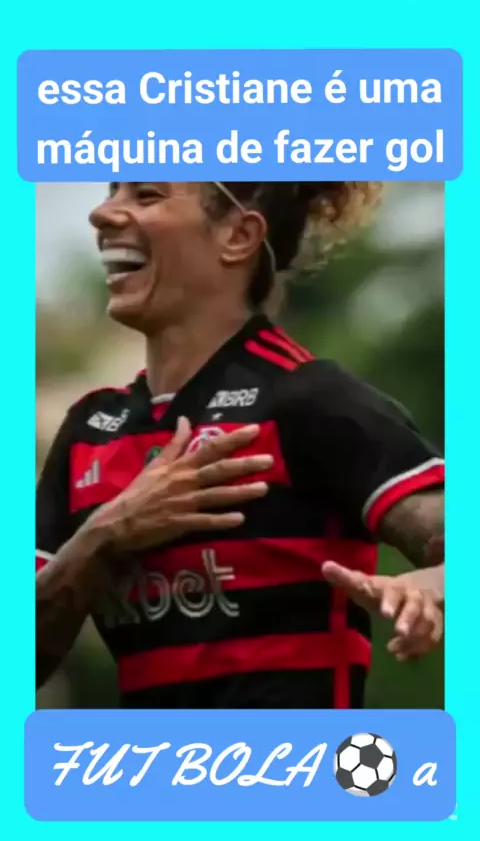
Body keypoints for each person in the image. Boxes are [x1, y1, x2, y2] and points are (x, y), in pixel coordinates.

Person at [36, 181, 445, 710]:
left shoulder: (309, 400)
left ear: (238, 235)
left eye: (146, 195)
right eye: (112, 191)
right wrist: (106, 536)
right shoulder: (90, 430)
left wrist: (433, 582)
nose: (102, 213)